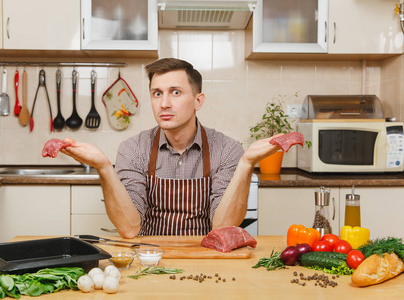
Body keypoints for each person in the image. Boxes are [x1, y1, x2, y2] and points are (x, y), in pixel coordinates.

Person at [60, 58, 280, 238]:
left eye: (175, 92)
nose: (164, 103)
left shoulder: (226, 149)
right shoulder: (133, 149)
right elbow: (129, 228)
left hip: (206, 256)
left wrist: (246, 164)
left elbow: (222, 227)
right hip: (148, 259)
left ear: (198, 101)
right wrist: (104, 167)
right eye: (157, 93)